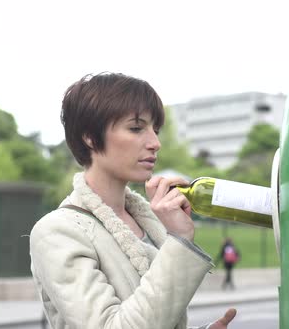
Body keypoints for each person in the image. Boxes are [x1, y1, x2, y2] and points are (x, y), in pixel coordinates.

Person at [29, 72, 237, 329]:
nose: (155, 143)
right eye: (136, 128)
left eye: (155, 129)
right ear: (90, 137)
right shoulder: (58, 232)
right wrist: (180, 240)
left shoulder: (149, 221)